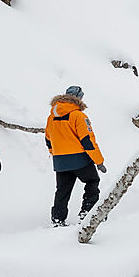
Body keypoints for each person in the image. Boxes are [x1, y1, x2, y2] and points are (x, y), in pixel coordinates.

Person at [46, 85, 105, 227]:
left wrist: (56, 154)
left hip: (60, 160)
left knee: (62, 190)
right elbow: (87, 141)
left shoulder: (51, 117)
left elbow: (48, 139)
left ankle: (58, 219)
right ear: (78, 98)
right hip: (79, 159)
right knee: (92, 181)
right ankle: (87, 212)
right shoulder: (78, 116)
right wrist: (99, 161)